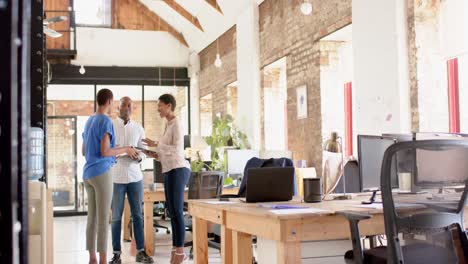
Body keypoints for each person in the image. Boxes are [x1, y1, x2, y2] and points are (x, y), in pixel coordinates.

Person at [82, 89, 139, 264]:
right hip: (102, 173)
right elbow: (106, 151)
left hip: (88, 173)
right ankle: (103, 260)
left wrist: (109, 153)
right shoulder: (106, 121)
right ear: (109, 101)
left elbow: (84, 151)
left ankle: (92, 257)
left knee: (91, 217)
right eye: (113, 102)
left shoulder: (89, 120)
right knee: (103, 219)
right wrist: (126, 149)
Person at [142, 94, 191, 264]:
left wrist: (155, 143)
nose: (158, 108)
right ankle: (176, 249)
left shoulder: (177, 124)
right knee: (171, 211)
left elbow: (177, 149)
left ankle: (179, 252)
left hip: (179, 169)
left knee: (177, 211)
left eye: (160, 105)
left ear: (169, 106)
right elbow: (165, 153)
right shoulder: (167, 125)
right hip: (169, 169)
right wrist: (152, 153)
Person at [109, 97, 154, 264]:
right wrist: (125, 151)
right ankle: (116, 254)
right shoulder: (111, 126)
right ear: (118, 108)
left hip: (135, 177)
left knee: (138, 216)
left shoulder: (138, 128)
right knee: (116, 217)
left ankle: (141, 252)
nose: (127, 108)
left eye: (129, 106)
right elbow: (108, 151)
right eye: (124, 105)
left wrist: (138, 157)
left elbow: (144, 151)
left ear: (132, 108)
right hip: (116, 178)